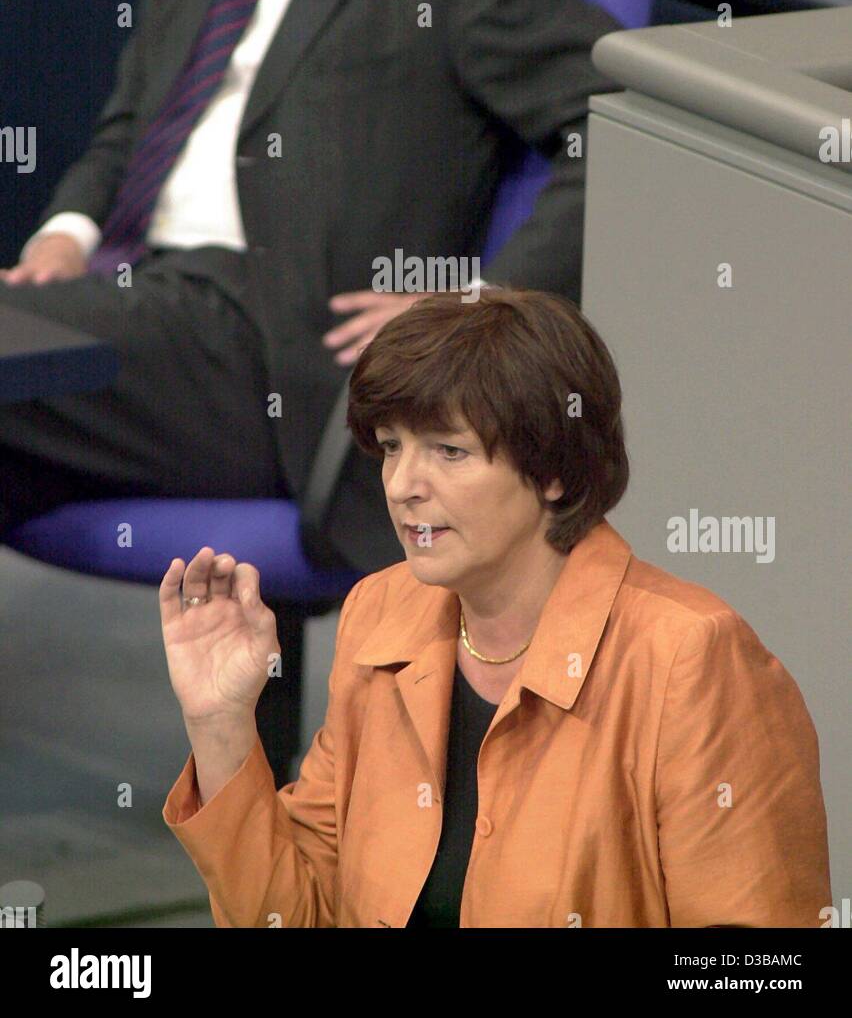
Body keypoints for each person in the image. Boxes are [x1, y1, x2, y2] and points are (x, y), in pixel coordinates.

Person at [0, 0, 619, 581]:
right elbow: (129, 126)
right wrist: (68, 227)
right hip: (135, 307)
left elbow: (616, 125)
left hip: (276, 357)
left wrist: (477, 316)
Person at [160, 288, 831, 927]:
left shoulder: (690, 658)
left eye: (448, 451)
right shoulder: (381, 612)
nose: (402, 485)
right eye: (392, 446)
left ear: (554, 470)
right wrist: (219, 725)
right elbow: (298, 916)